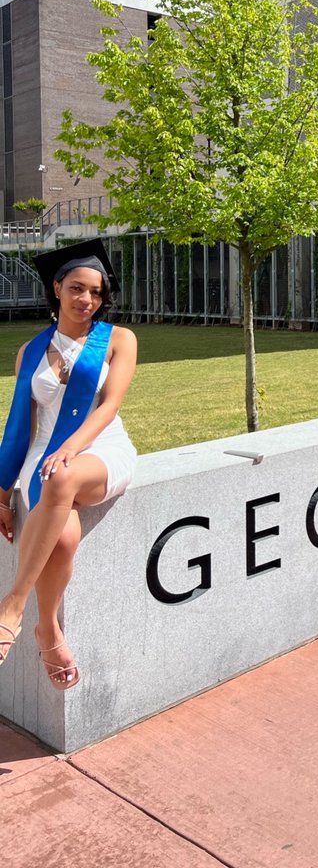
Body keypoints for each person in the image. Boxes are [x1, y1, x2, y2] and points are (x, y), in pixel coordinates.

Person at [0, 239, 137, 689]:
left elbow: (109, 406)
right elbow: (20, 423)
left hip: (99, 449)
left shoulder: (118, 339)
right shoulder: (30, 351)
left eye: (96, 293)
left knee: (63, 475)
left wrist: (71, 448)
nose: (87, 300)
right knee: (62, 537)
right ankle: (49, 630)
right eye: (77, 288)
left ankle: (13, 607)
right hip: (43, 457)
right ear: (57, 288)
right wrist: (3, 492)